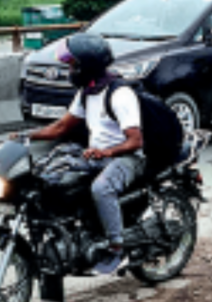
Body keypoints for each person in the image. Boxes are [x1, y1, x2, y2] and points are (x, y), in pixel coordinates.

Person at [21, 34, 145, 275]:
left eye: (72, 64)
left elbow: (135, 140)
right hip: (97, 155)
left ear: (86, 66)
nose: (69, 68)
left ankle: (115, 246)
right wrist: (26, 136)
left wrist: (107, 151)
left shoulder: (119, 94)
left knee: (102, 188)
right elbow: (61, 127)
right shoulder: (87, 92)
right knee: (51, 173)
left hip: (127, 158)